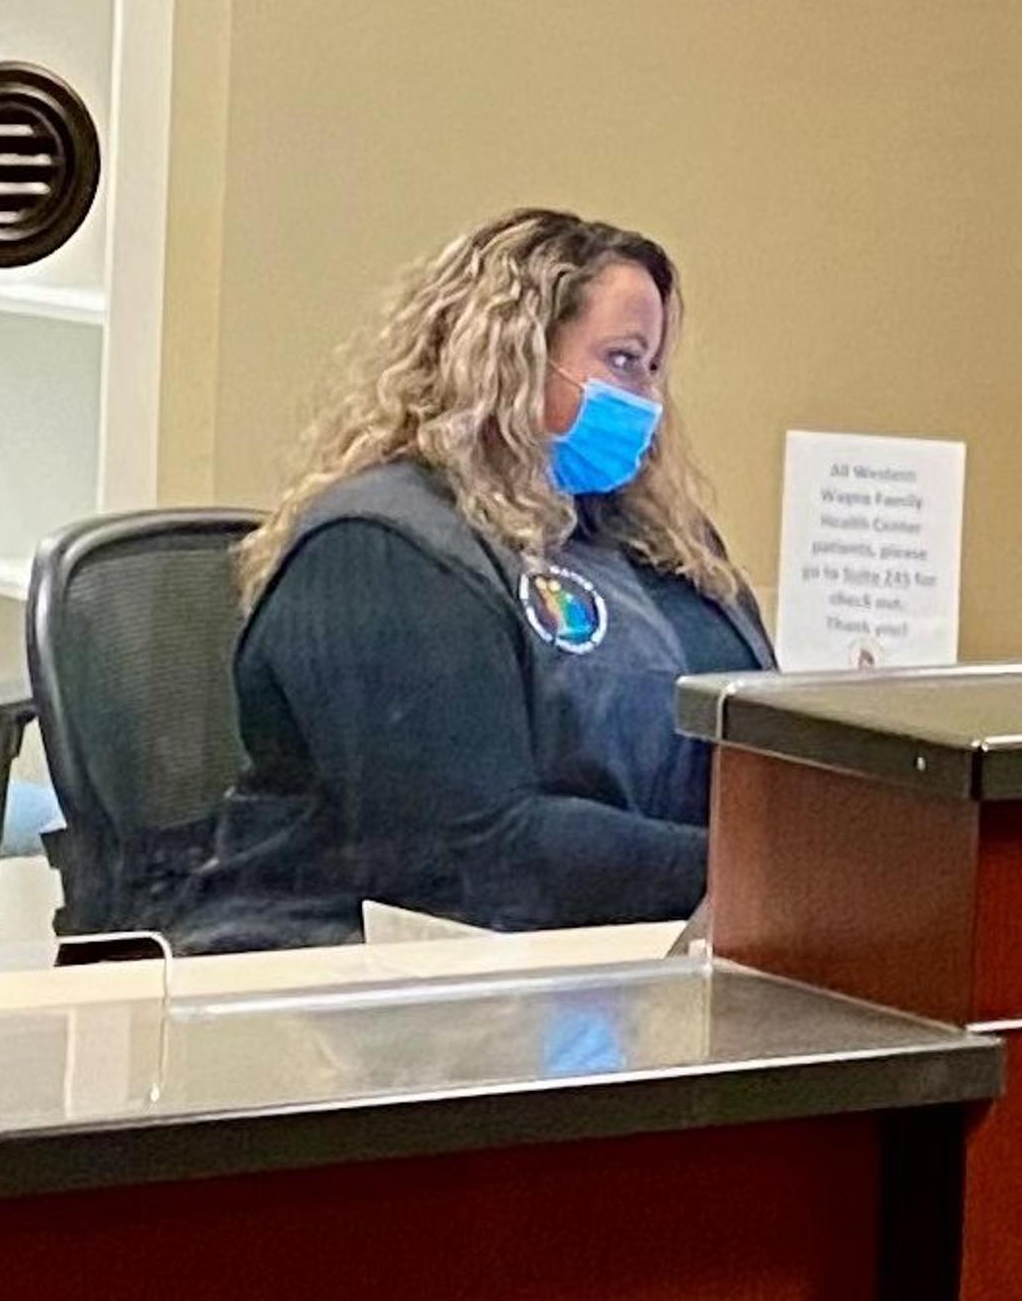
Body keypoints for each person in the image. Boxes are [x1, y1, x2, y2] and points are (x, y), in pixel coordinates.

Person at [172, 206, 772, 950]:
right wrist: (754, 873)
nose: (647, 399)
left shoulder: (652, 542)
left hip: (627, 950)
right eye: (622, 360)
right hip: (352, 976)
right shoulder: (383, 547)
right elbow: (476, 852)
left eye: (654, 368)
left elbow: (754, 743)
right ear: (513, 357)